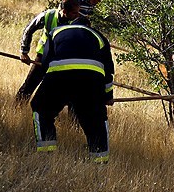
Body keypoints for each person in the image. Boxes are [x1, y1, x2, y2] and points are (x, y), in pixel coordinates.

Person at [30, 15, 115, 164]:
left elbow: (45, 62)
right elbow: (108, 72)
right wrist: (107, 96)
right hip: (91, 79)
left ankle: (46, 154)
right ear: (89, 25)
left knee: (41, 107)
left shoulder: (56, 31)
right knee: (96, 119)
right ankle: (100, 161)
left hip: (59, 76)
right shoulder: (98, 36)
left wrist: (52, 87)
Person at [16, 0, 81, 103]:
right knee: (29, 86)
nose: (77, 15)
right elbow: (29, 29)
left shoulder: (77, 21)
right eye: (74, 13)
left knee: (60, 91)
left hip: (63, 60)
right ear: (64, 11)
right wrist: (24, 52)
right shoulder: (48, 16)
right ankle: (16, 109)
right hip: (43, 56)